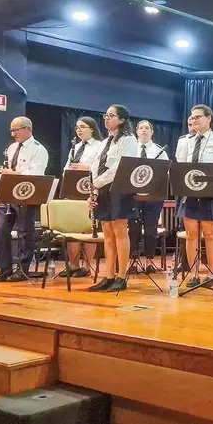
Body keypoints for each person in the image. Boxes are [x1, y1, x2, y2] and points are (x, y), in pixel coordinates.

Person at [175, 105, 213, 288]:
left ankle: (212, 273)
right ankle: (194, 273)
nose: (194, 120)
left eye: (198, 117)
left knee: (210, 234)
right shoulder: (185, 141)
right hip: (190, 192)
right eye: (192, 118)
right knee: (192, 235)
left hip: (211, 194)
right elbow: (180, 165)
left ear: (209, 118)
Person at [0, 117, 49, 282]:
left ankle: (23, 269)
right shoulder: (12, 147)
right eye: (12, 130)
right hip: (8, 195)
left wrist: (16, 174)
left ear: (28, 129)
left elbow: (37, 174)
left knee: (25, 233)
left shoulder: (38, 149)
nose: (13, 134)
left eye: (16, 130)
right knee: (0, 231)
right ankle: (5, 269)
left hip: (26, 194)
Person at [88, 105, 137, 292]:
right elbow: (94, 166)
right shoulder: (104, 142)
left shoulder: (128, 140)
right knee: (107, 233)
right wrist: (93, 187)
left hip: (119, 188)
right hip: (101, 188)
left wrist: (99, 182)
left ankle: (121, 276)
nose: (106, 119)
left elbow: (119, 166)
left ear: (122, 120)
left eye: (111, 116)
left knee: (119, 231)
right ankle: (108, 275)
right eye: (105, 115)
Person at [61, 116, 104, 278]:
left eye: (83, 127)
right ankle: (73, 265)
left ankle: (87, 265)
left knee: (88, 228)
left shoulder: (99, 146)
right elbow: (67, 167)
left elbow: (101, 168)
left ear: (92, 128)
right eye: (77, 127)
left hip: (89, 189)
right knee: (73, 227)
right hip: (73, 190)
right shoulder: (76, 146)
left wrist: (87, 167)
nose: (79, 130)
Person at [128, 120, 169, 263]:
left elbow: (165, 172)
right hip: (133, 195)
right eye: (141, 128)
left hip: (153, 197)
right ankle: (133, 260)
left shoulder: (159, 151)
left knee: (151, 228)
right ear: (137, 132)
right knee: (133, 228)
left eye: (147, 128)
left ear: (152, 132)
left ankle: (150, 261)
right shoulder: (130, 149)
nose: (144, 130)